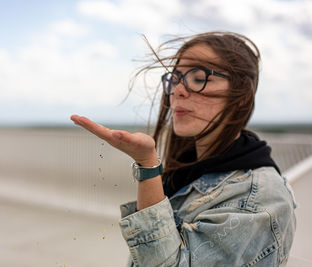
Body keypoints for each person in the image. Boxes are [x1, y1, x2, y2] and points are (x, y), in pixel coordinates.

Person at [70, 31, 296, 266]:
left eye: (199, 78)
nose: (178, 90)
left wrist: (148, 166)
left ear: (241, 96)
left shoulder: (259, 201)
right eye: (175, 79)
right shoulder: (190, 169)